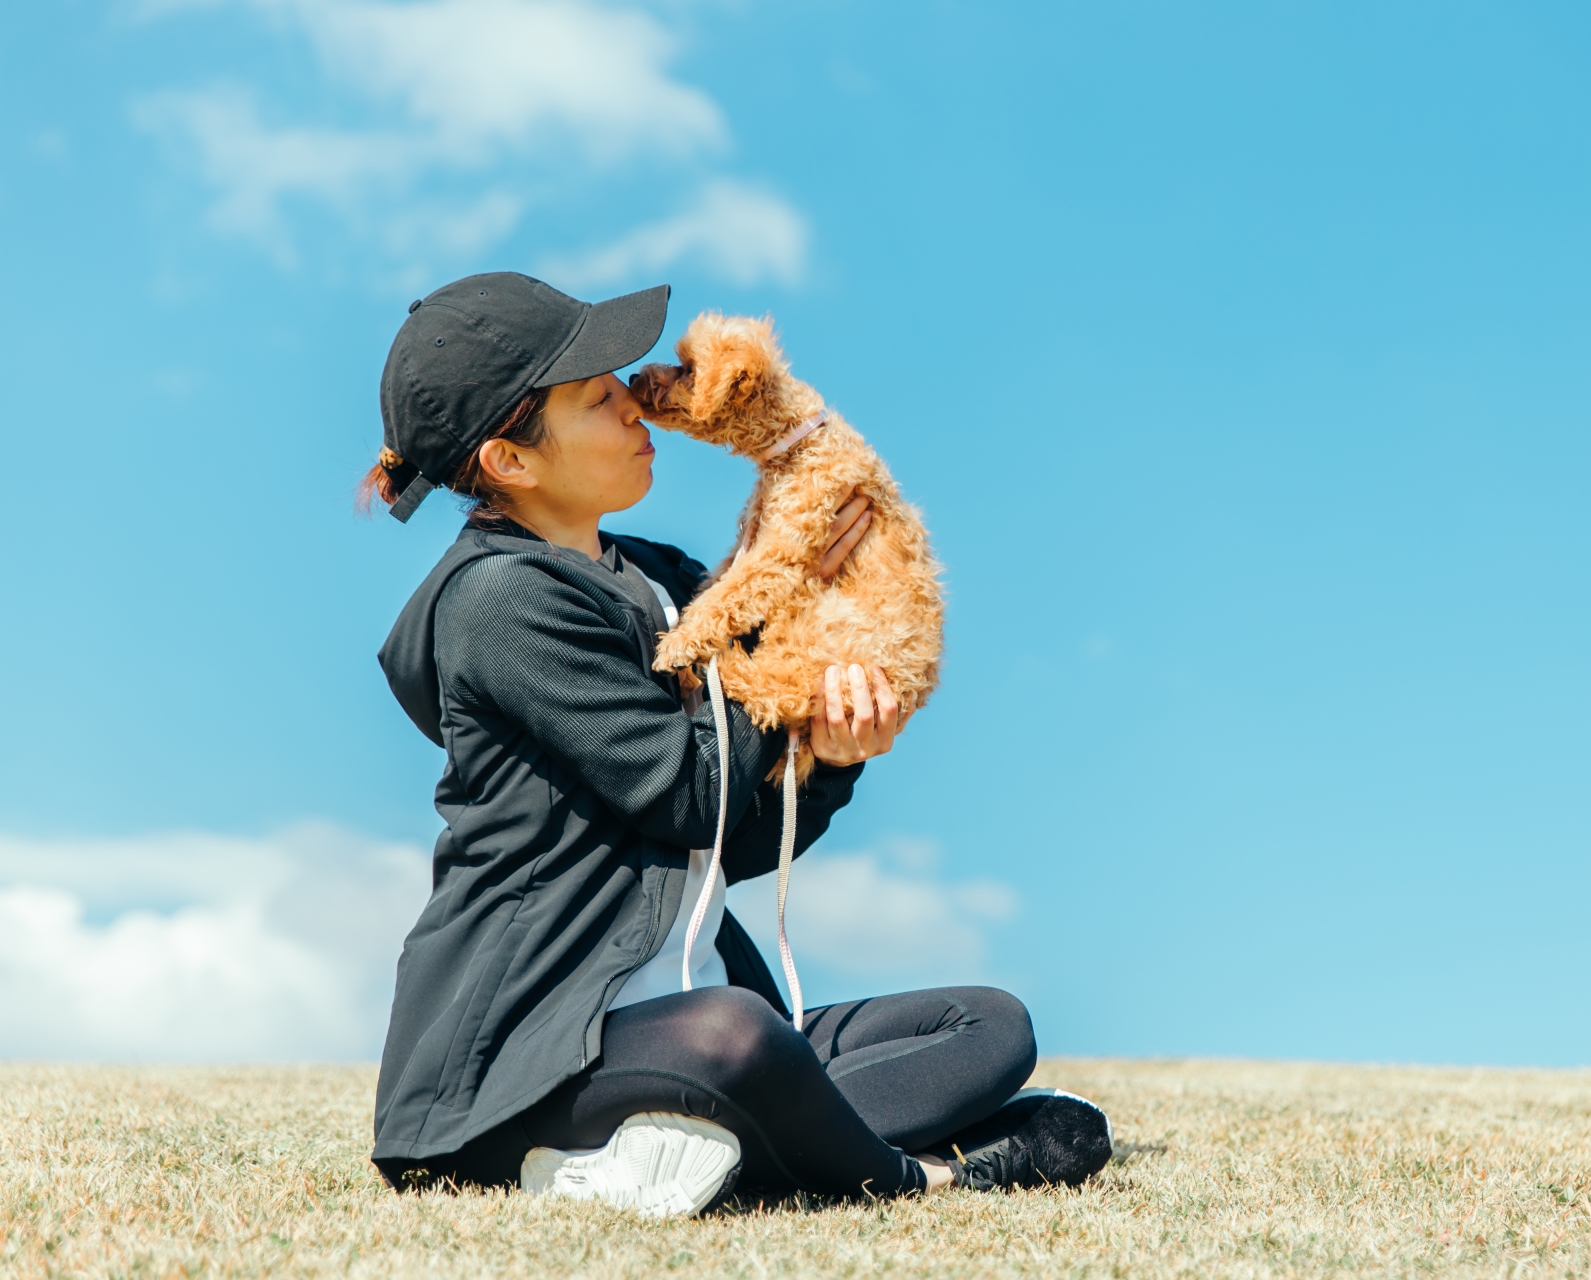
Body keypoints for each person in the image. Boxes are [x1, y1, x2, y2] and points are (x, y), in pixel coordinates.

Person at [360, 272, 1112, 1215]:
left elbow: (735, 840)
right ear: (511, 460)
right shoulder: (501, 599)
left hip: (689, 1013)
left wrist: (834, 755)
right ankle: (928, 1173)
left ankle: (682, 1152)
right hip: (532, 1048)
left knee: (989, 1024)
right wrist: (793, 648)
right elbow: (687, 790)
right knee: (738, 1039)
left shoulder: (668, 583)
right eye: (598, 397)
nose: (637, 403)